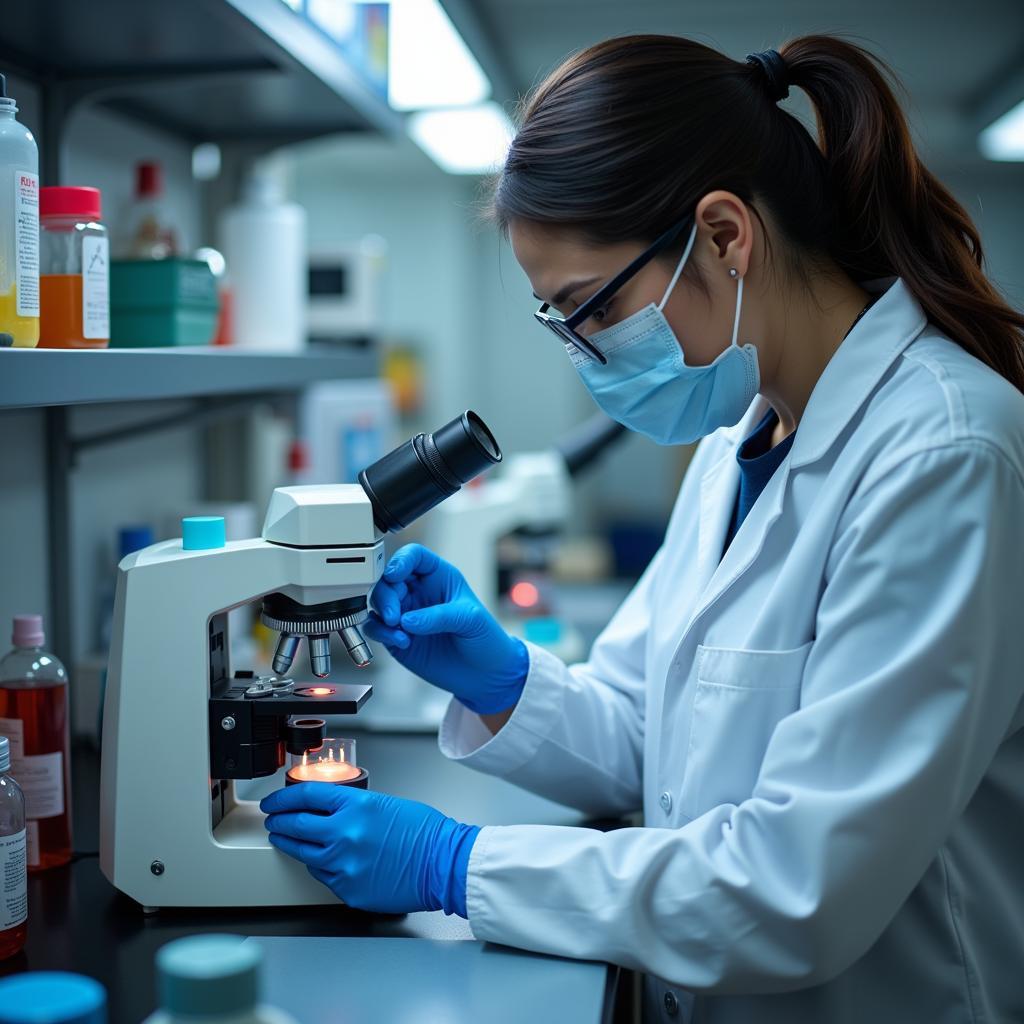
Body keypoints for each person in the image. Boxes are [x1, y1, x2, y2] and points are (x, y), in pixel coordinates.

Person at [260, 34, 1024, 1023]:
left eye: (592, 309)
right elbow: (650, 735)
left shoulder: (944, 454)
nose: (585, 352)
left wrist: (455, 863)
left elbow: (796, 887)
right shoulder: (743, 435)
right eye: (556, 321)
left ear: (722, 235)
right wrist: (502, 679)